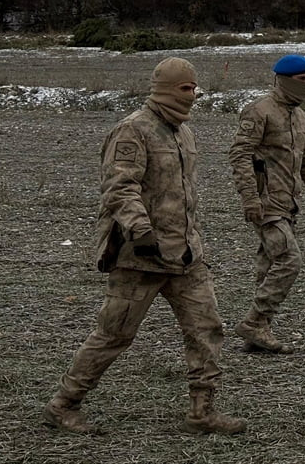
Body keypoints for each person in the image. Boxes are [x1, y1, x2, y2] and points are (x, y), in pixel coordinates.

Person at [43, 58, 245, 435]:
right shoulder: (132, 130)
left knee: (207, 329)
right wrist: (141, 230)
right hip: (141, 258)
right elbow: (119, 187)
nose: (193, 94)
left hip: (185, 257)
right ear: (166, 88)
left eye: (194, 87)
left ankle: (202, 412)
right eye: (185, 88)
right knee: (114, 334)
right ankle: (63, 405)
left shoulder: (183, 132)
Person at [229, 54, 305, 354]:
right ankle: (254, 322)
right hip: (266, 204)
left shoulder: (301, 118)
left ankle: (258, 333)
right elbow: (240, 155)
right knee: (289, 260)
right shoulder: (259, 111)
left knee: (269, 265)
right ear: (286, 79)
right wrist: (249, 198)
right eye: (302, 80)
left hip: (289, 204)